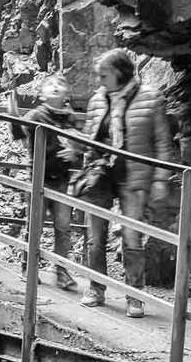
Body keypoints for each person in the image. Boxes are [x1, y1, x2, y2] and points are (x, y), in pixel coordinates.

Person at [75, 48, 175, 317]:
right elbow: (88, 141)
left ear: (119, 73)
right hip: (101, 176)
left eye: (103, 75)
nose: (99, 80)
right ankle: (96, 288)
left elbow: (163, 144)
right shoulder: (97, 100)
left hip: (134, 176)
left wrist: (160, 180)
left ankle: (135, 296)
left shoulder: (151, 99)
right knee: (95, 237)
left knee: (132, 237)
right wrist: (86, 171)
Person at [20, 76, 82, 290]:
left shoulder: (70, 118)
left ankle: (61, 271)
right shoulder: (37, 114)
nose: (55, 87)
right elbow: (19, 130)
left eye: (61, 85)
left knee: (63, 227)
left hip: (62, 180)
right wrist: (13, 115)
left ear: (67, 94)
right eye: (50, 85)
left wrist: (75, 149)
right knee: (34, 225)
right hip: (39, 178)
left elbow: (81, 144)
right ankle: (28, 268)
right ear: (41, 94)